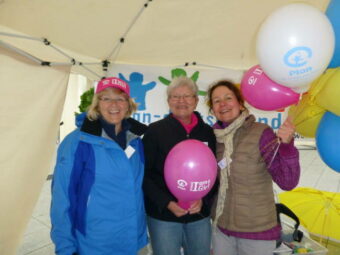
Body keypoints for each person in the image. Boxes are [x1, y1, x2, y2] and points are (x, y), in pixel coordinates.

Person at [50, 77, 148, 255]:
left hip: (134, 239)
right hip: (95, 243)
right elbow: (62, 197)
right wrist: (65, 247)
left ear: (128, 105)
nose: (114, 104)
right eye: (106, 98)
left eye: (120, 98)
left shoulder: (135, 141)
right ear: (97, 104)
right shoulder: (77, 142)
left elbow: (138, 189)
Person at [206, 80, 300, 255]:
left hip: (256, 233)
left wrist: (287, 147)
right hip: (222, 230)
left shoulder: (261, 133)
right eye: (217, 101)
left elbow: (287, 182)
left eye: (228, 98)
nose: (223, 104)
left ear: (240, 104)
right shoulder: (213, 138)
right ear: (212, 110)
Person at [142, 76, 217, 255]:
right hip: (164, 217)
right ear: (168, 101)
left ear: (196, 100)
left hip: (198, 216)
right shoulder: (155, 131)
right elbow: (144, 174)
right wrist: (166, 202)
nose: (181, 101)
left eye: (187, 96)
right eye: (175, 97)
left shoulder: (208, 132)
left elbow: (214, 172)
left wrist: (203, 200)